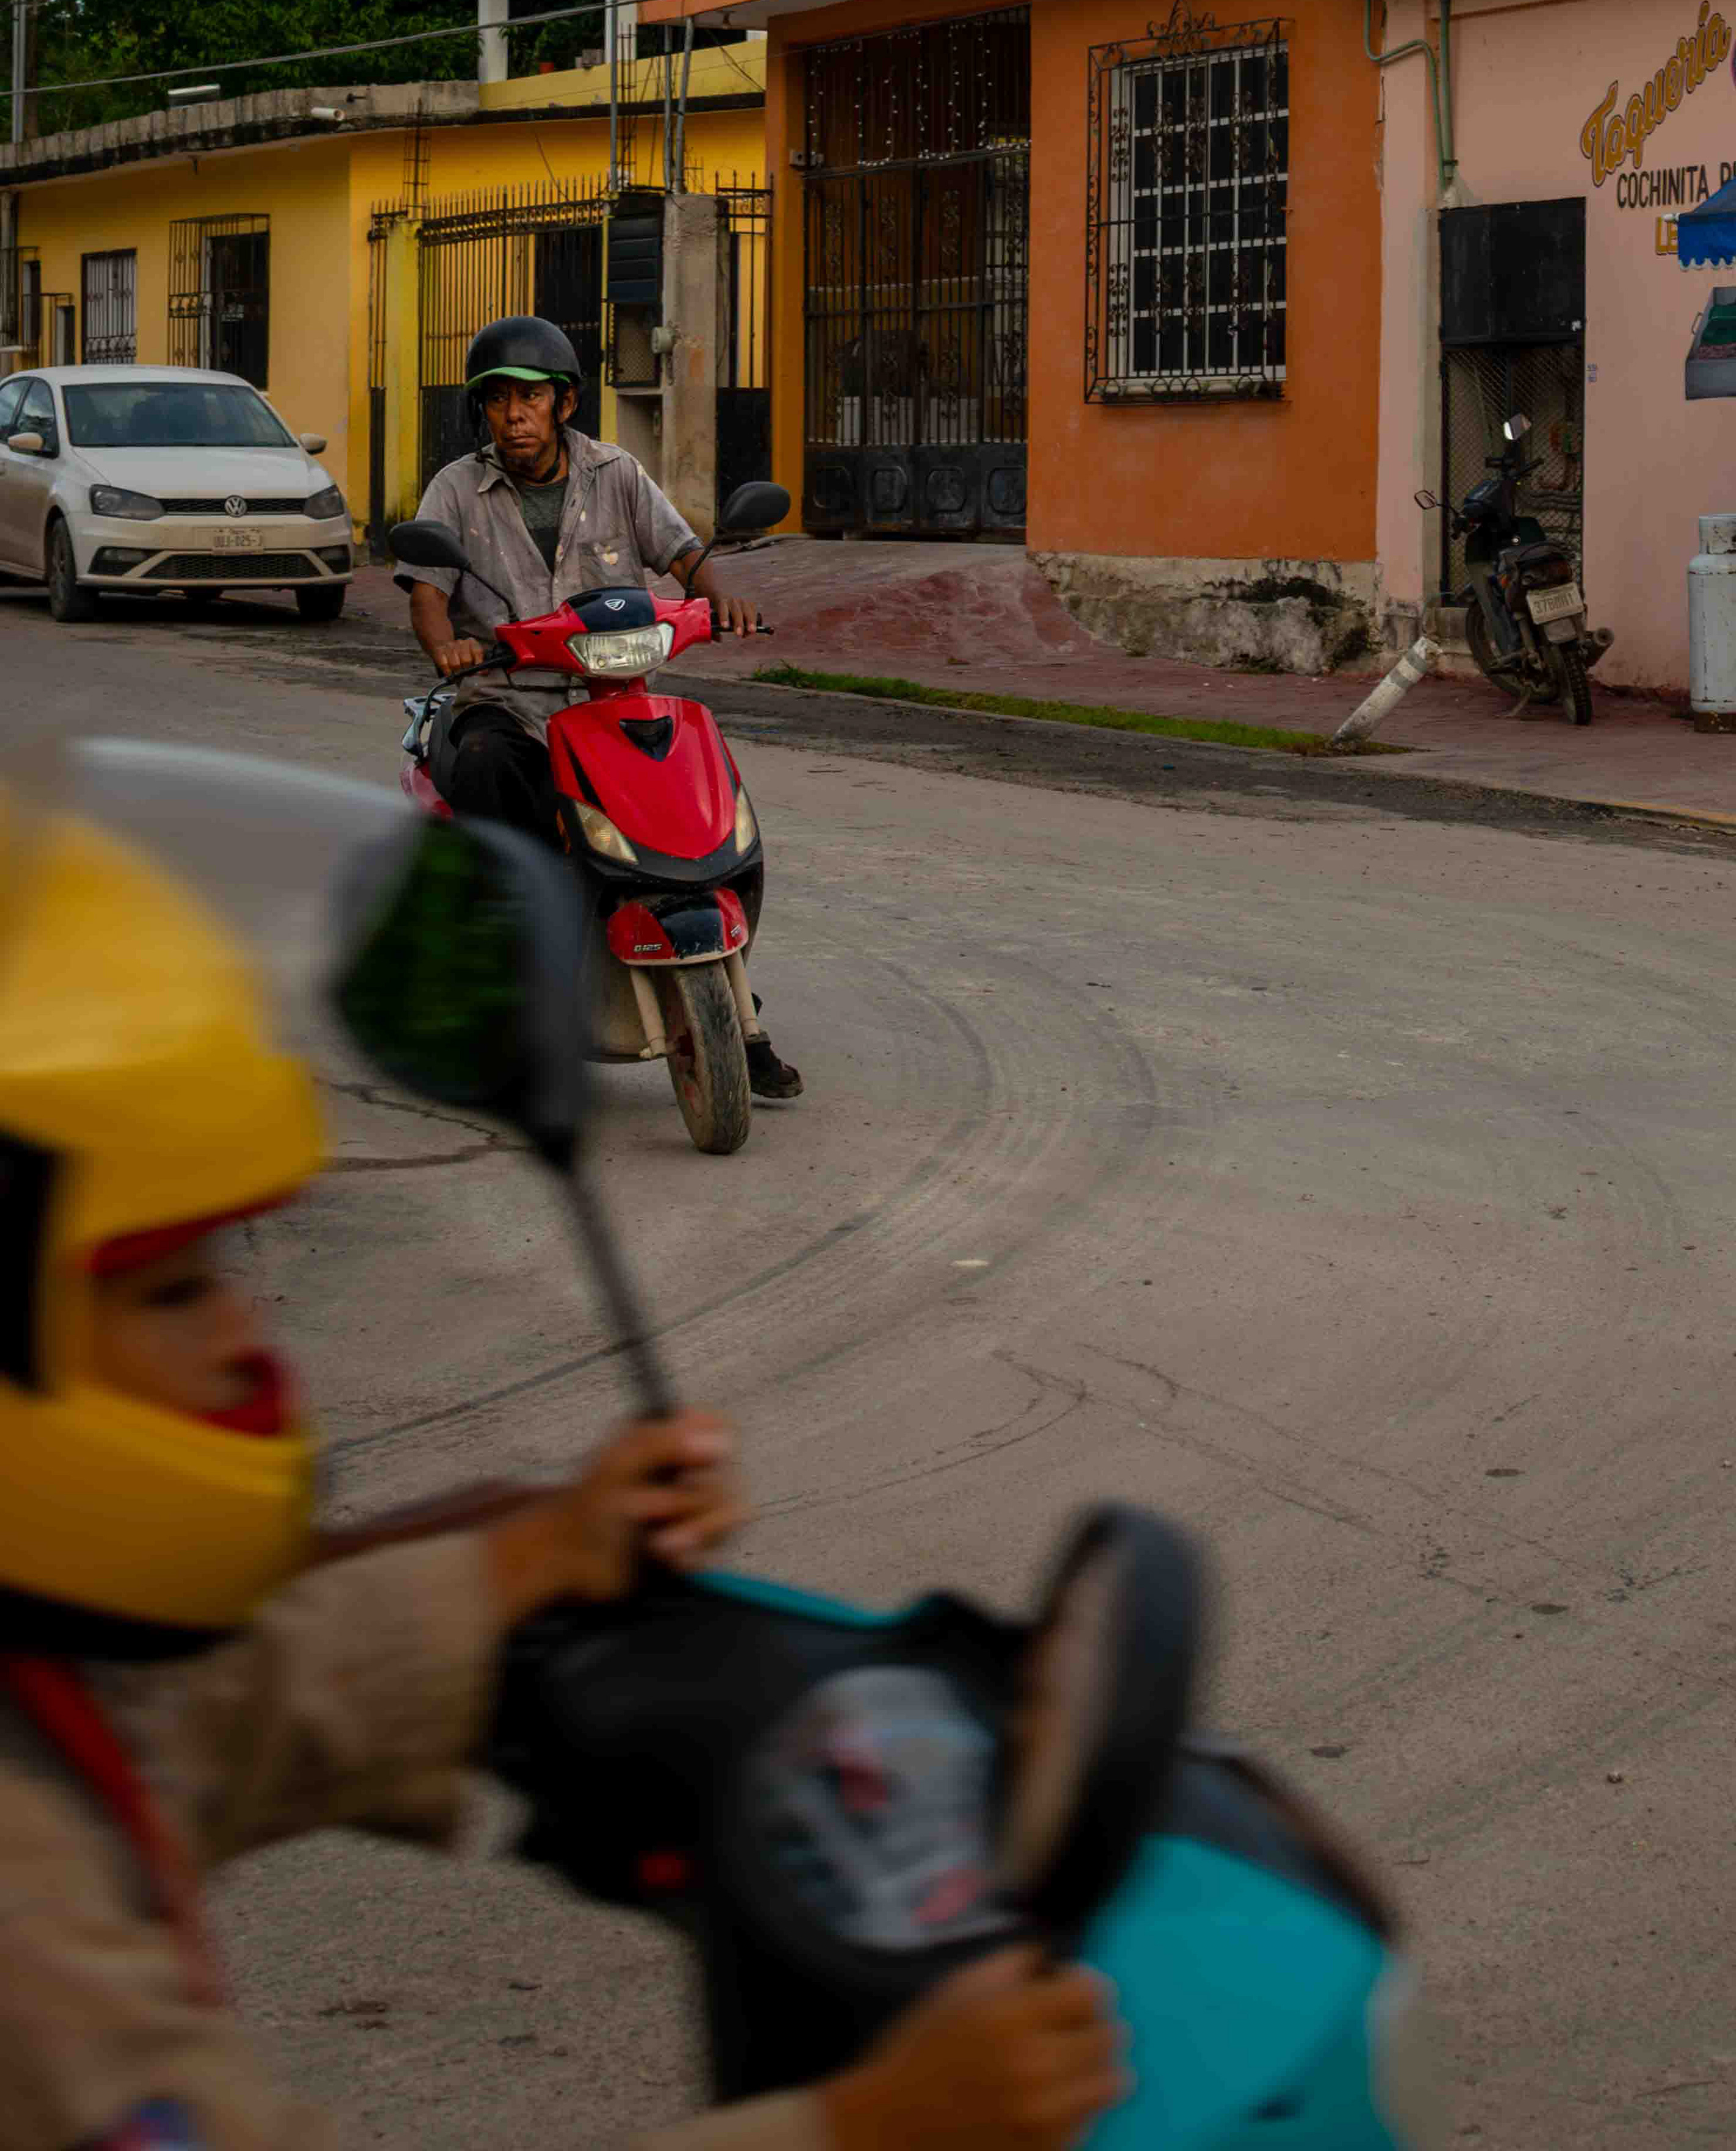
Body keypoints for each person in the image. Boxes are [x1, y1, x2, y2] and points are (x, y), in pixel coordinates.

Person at [0, 788, 1129, 2151]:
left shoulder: (47, 1706)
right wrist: (869, 2128)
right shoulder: (35, 1970)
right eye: (174, 1293)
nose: (250, 1340)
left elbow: (181, 1723)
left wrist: (531, 1556)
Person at [395, 314, 799, 1106]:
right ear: (483, 410)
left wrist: (723, 602)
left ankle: (736, 1015)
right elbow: (427, 597)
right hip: (508, 703)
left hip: (610, 700)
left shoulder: (615, 473)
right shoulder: (455, 489)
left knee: (697, 817)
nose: (515, 414)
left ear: (566, 404)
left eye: (532, 399)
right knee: (485, 765)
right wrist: (448, 647)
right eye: (500, 399)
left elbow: (686, 557)